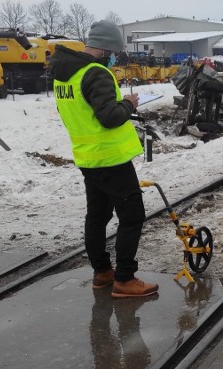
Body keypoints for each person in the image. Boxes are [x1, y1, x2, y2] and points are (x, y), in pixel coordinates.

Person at [50, 20, 158, 298]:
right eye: (115, 53)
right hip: (111, 159)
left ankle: (102, 273)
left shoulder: (64, 75)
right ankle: (124, 279)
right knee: (132, 215)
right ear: (107, 48)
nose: (114, 59)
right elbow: (109, 117)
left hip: (88, 158)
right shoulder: (96, 73)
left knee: (97, 216)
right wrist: (128, 104)